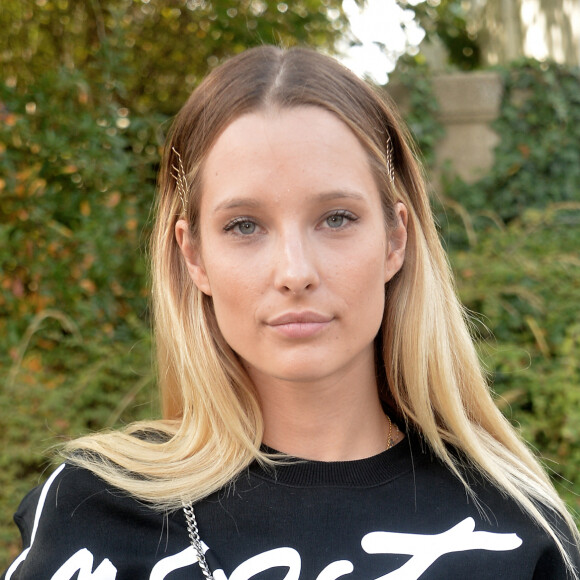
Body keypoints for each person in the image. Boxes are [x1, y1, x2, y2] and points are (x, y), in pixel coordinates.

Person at [2, 45, 579, 580]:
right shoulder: (91, 518)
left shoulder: (513, 531)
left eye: (336, 218)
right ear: (194, 256)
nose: (295, 271)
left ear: (395, 240)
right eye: (244, 226)